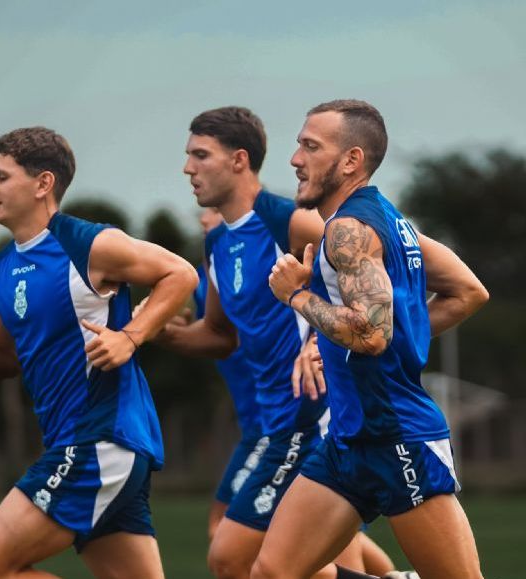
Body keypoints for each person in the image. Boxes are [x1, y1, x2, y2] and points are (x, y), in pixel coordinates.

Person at [0, 127, 198, 579]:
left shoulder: (87, 244)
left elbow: (180, 273)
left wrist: (130, 336)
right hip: (85, 444)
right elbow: (2, 358)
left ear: (43, 184)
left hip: (101, 440)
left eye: (0, 177)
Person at [260, 99, 489, 579]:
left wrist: (297, 297)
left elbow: (372, 335)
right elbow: (467, 292)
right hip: (348, 439)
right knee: (271, 573)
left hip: (397, 437)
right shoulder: (388, 220)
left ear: (350, 161)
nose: (295, 159)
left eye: (309, 146)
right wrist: (337, 340)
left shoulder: (349, 228)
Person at [151, 106, 367, 579]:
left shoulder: (290, 222)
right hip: (273, 420)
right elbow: (219, 336)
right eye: (188, 156)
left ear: (239, 160)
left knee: (232, 556)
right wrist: (154, 332)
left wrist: (321, 345)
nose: (188, 167)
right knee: (281, 562)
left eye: (200, 155)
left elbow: (375, 277)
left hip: (309, 415)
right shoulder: (217, 243)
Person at [191, 208, 264, 542]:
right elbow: (210, 333)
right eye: (203, 216)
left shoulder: (262, 259)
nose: (205, 220)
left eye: (216, 213)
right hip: (256, 424)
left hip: (276, 426)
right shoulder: (203, 278)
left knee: (223, 530)